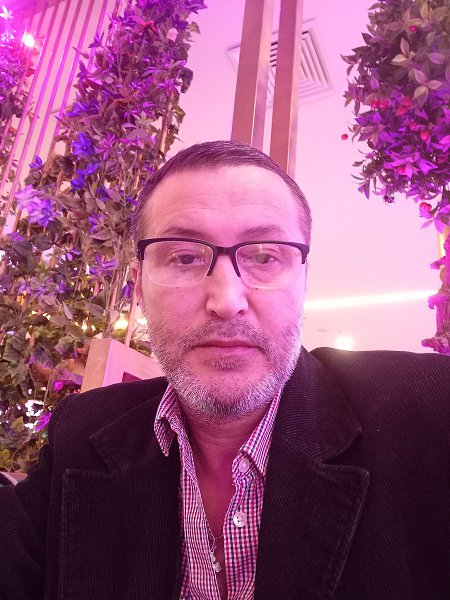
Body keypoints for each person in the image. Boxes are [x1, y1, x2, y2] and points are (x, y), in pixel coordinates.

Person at [1, 141, 449, 600]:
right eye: (184, 257)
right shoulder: (82, 434)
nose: (226, 301)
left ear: (303, 281)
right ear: (139, 288)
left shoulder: (430, 412)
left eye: (264, 257)